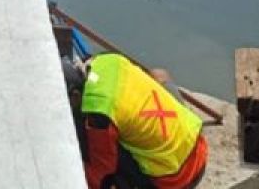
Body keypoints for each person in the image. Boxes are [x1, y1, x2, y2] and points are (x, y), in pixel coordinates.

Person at [64, 54, 209, 189]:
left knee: (94, 147)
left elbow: (102, 171)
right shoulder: (107, 60)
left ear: (76, 96)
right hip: (198, 145)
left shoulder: (99, 111)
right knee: (159, 75)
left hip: (176, 179)